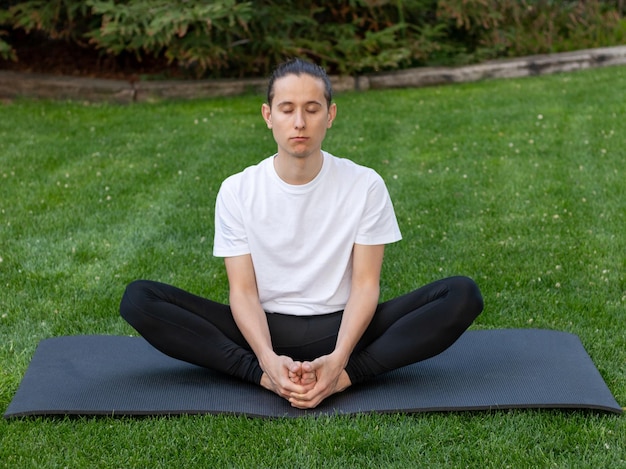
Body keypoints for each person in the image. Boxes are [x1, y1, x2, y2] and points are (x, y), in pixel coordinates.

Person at [120, 58, 483, 409]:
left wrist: (341, 360)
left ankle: (343, 378)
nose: (299, 122)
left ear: (330, 115)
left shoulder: (365, 184)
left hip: (345, 328)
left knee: (461, 294)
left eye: (311, 109)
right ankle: (264, 378)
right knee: (139, 299)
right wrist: (264, 360)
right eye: (286, 108)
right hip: (261, 331)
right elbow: (242, 292)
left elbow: (365, 285)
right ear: (268, 116)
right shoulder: (237, 189)